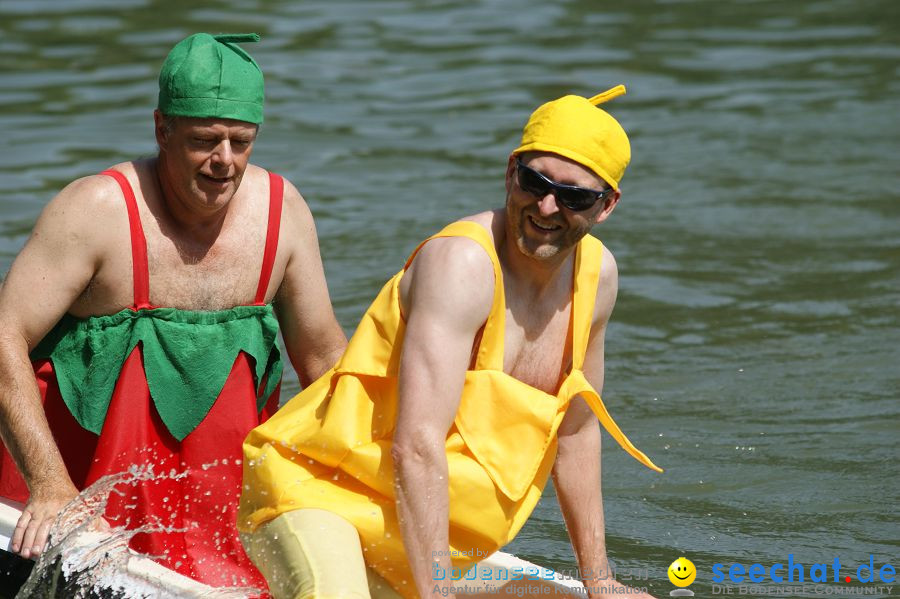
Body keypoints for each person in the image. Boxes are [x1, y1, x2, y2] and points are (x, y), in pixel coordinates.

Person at [238, 84, 662, 599]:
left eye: (574, 197)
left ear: (606, 206)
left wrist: (599, 582)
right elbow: (416, 447)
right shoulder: (463, 265)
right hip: (320, 501)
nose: (547, 206)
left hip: (421, 532)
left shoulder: (598, 278)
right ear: (511, 172)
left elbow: (574, 433)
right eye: (535, 181)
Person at [0, 33, 346, 591]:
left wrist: (358, 480)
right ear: (162, 129)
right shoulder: (96, 210)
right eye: (205, 140)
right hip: (74, 496)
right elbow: (3, 335)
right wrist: (52, 488)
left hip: (218, 505)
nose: (224, 162)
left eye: (241, 141)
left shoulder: (282, 215)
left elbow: (323, 356)